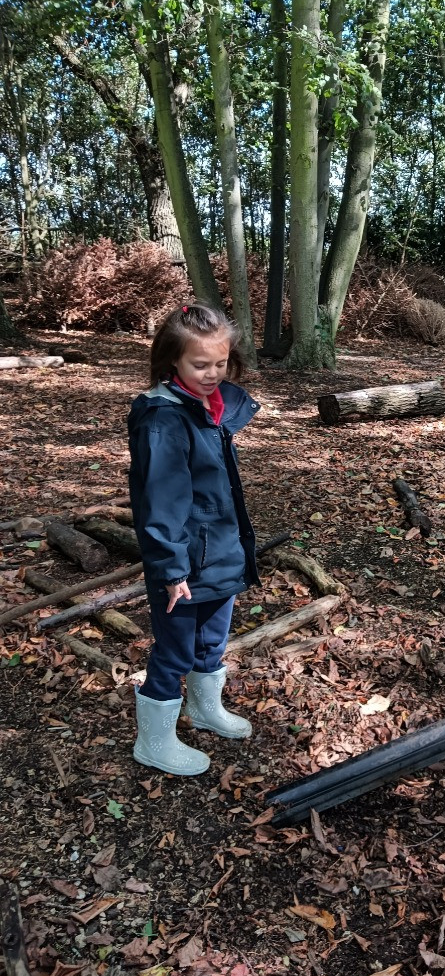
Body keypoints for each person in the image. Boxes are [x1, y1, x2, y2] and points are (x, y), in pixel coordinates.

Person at [128, 303, 260, 776]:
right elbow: (160, 505)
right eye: (199, 365)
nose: (212, 374)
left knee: (212, 640)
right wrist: (170, 569)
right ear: (172, 363)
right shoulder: (164, 420)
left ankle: (205, 709)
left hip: (220, 552)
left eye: (220, 363)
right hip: (184, 562)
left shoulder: (214, 408)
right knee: (175, 650)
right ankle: (154, 741)